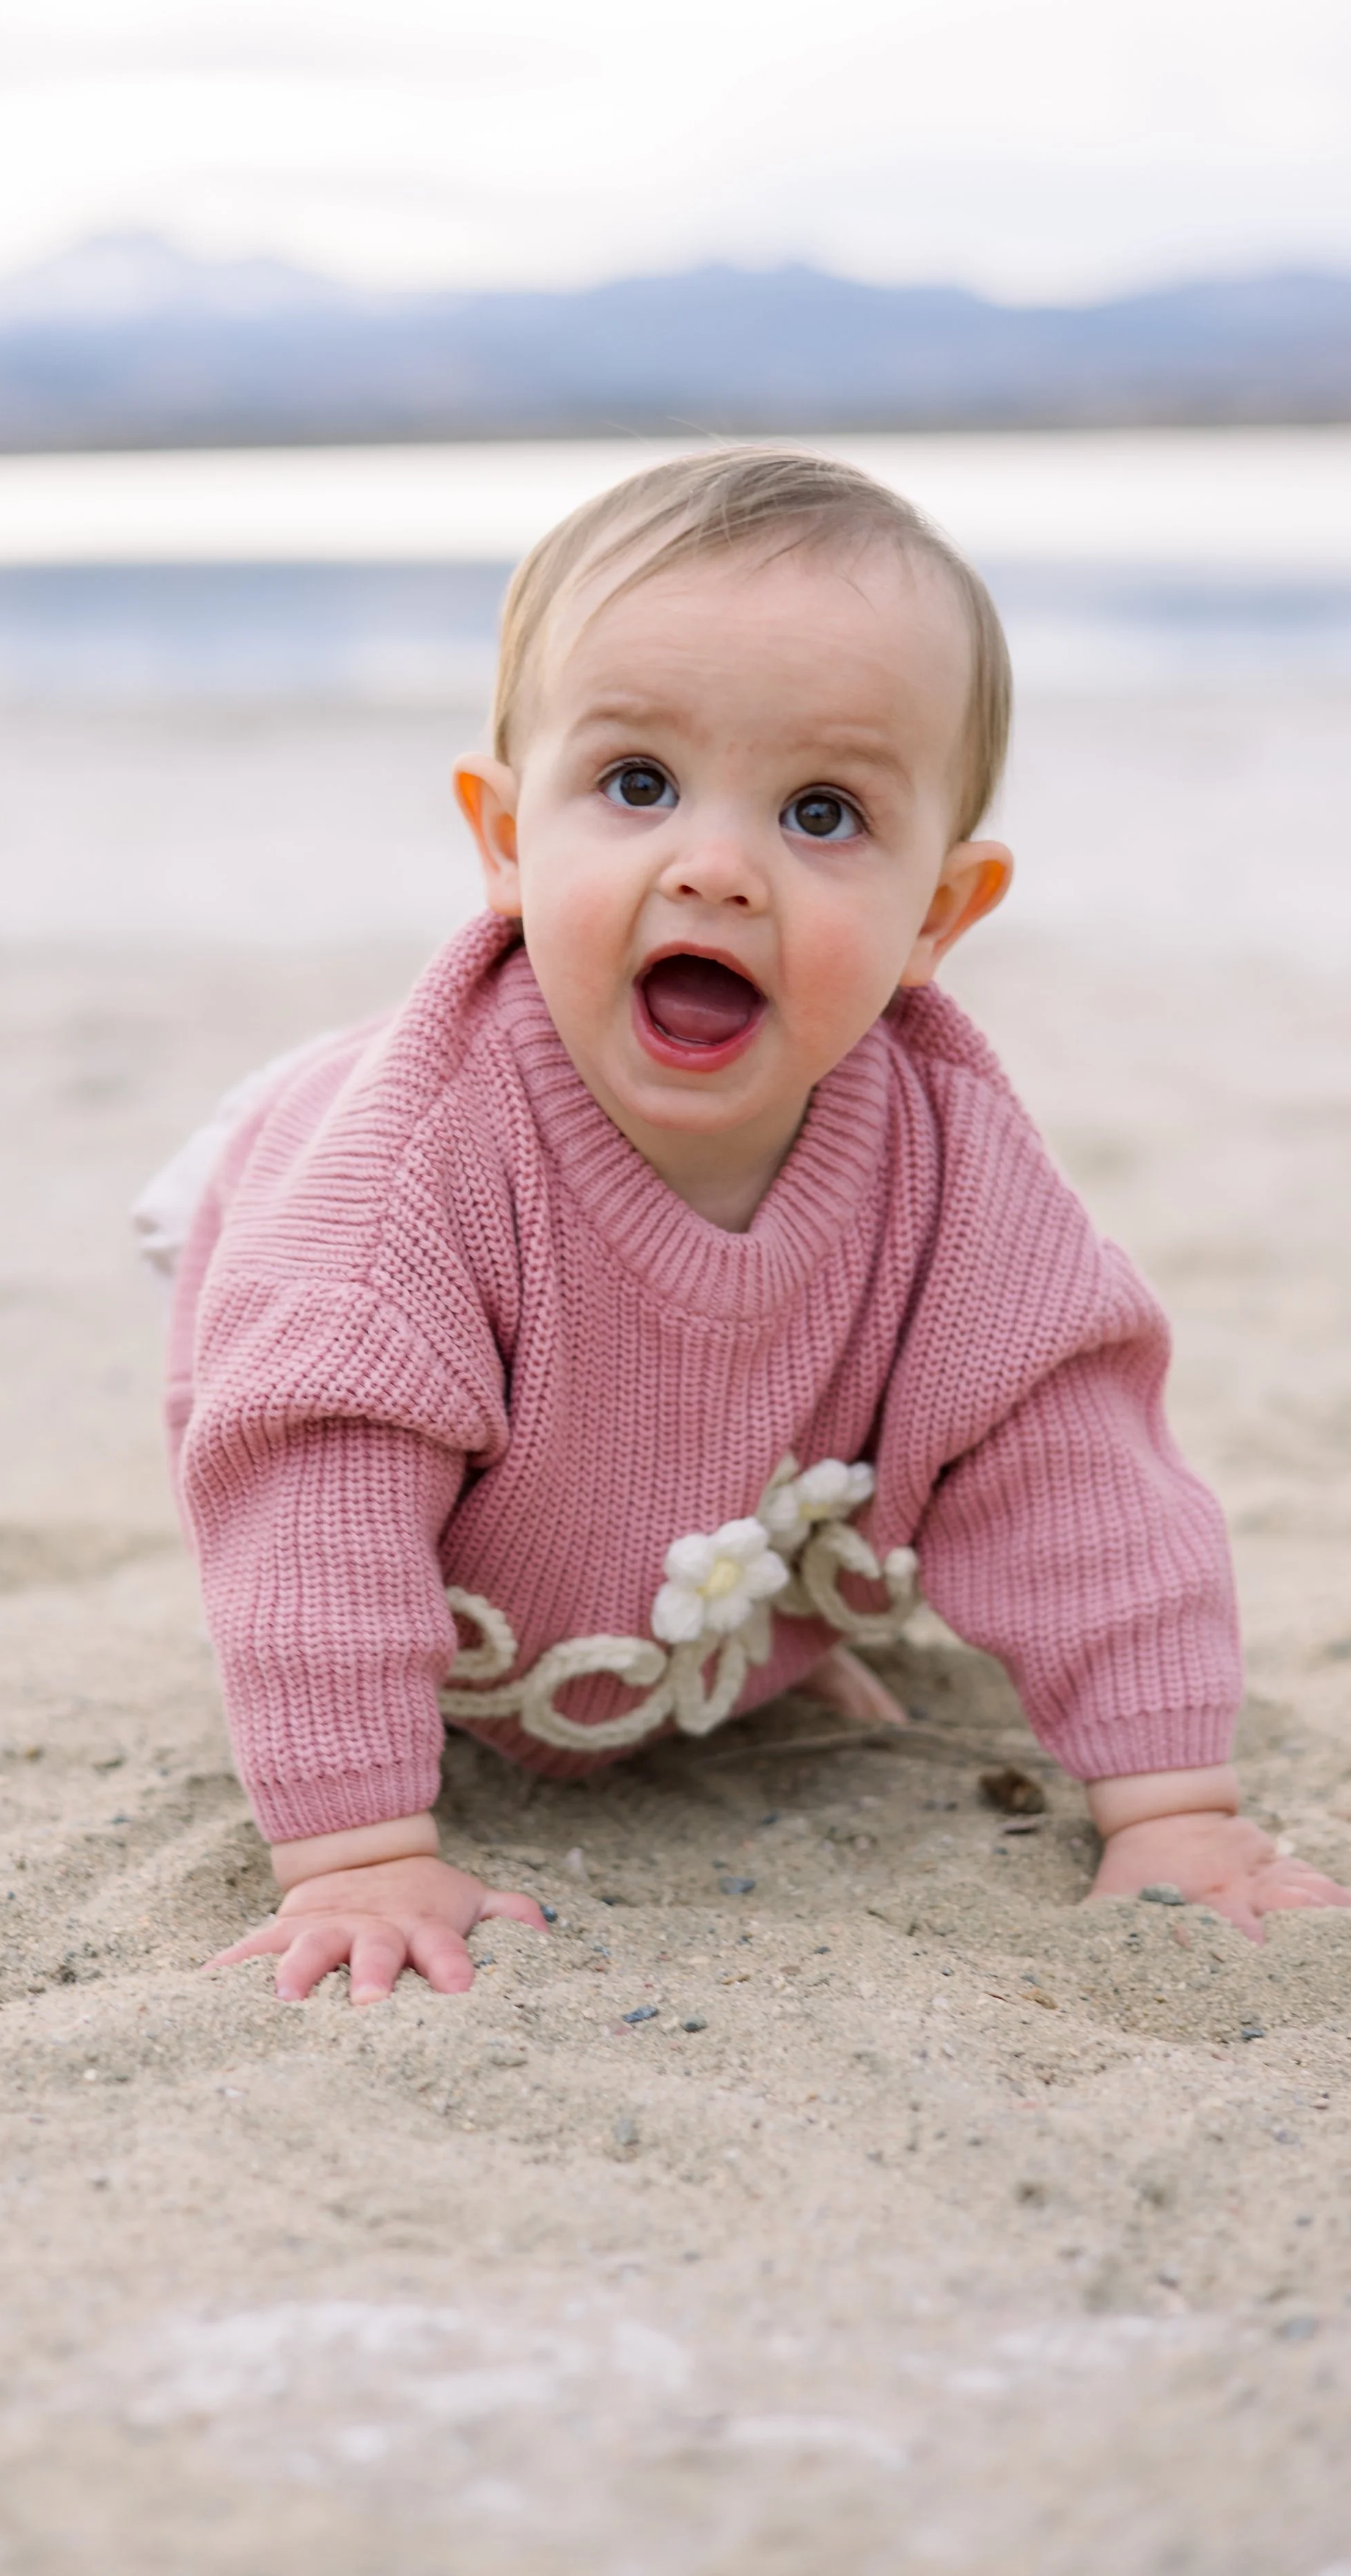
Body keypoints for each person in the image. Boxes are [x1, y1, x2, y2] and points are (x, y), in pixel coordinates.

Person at [148, 448, 1348, 2004]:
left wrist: (1170, 1806)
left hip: (677, 1543)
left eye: (822, 811)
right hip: (335, 1327)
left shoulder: (948, 1168)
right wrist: (362, 1854)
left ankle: (721, 1655)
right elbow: (313, 1505)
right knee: (327, 1470)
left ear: (938, 916)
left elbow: (1077, 1478)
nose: (714, 867)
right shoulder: (402, 1190)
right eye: (635, 785)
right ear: (505, 838)